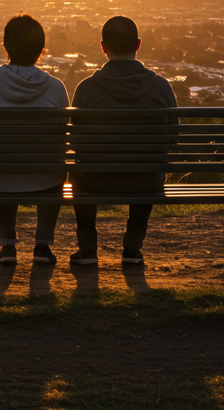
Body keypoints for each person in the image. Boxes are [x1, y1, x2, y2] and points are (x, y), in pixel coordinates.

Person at [68, 15, 177, 266]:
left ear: (103, 47)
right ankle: (132, 248)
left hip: (95, 179)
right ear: (138, 45)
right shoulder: (161, 87)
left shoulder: (86, 88)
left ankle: (87, 249)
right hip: (146, 180)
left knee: (76, 172)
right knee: (149, 164)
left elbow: (76, 142)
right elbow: (172, 139)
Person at [0, 14, 70, 266]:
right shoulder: (57, 89)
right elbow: (64, 137)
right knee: (58, 169)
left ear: (5, 47)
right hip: (46, 178)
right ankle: (42, 245)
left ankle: (7, 245)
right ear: (41, 50)